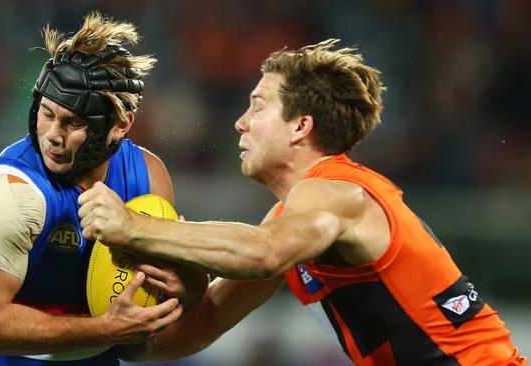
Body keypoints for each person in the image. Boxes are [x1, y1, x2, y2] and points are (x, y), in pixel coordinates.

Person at [78, 39, 528, 365]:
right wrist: (126, 337)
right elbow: (208, 318)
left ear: (300, 127)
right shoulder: (295, 219)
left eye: (257, 106)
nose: (240, 122)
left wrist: (134, 228)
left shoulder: (336, 191)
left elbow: (262, 252)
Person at [0, 12, 207, 366]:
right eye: (46, 113)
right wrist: (104, 330)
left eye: (73, 122)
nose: (52, 135)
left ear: (120, 125)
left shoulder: (148, 178)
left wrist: (189, 287)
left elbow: (147, 324)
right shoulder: (11, 193)